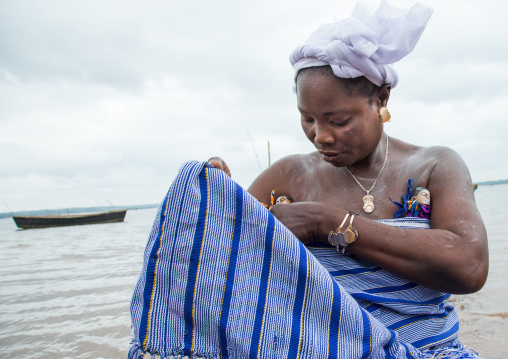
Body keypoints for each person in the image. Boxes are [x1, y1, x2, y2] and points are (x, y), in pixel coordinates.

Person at [129, 1, 488, 358]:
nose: (321, 136)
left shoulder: (435, 165)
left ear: (381, 98)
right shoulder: (288, 175)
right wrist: (216, 205)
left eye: (338, 120)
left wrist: (326, 222)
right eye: (308, 120)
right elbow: (217, 263)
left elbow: (469, 267)